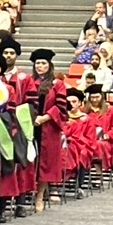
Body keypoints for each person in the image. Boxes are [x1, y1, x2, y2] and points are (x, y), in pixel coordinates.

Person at [30, 48, 67, 212]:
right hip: (30, 127)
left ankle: (39, 196)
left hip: (48, 128)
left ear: (49, 65)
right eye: (37, 63)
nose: (40, 66)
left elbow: (60, 107)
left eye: (43, 63)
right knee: (31, 160)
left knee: (45, 163)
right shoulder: (30, 82)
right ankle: (29, 192)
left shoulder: (57, 84)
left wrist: (44, 118)